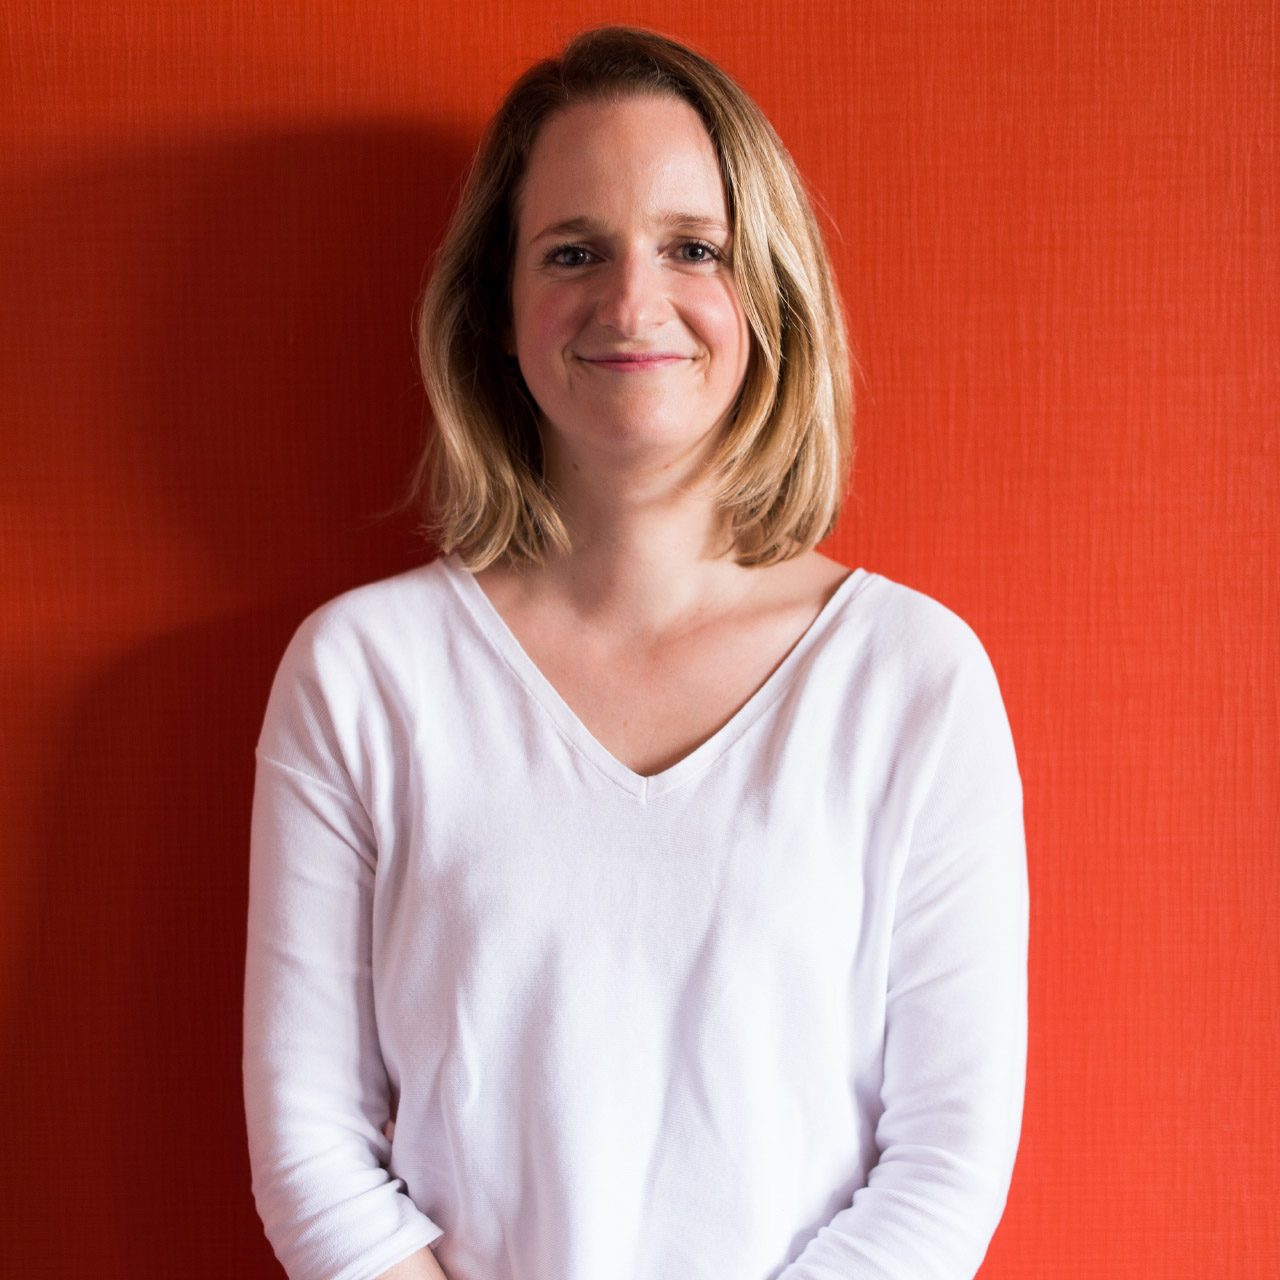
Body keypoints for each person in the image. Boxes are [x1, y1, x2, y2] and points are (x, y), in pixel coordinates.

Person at [243, 26, 1027, 1280]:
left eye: (691, 247)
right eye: (573, 251)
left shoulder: (912, 679)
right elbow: (309, 1146)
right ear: (498, 314)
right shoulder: (361, 676)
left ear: (765, 295)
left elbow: (943, 1162)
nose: (628, 301)